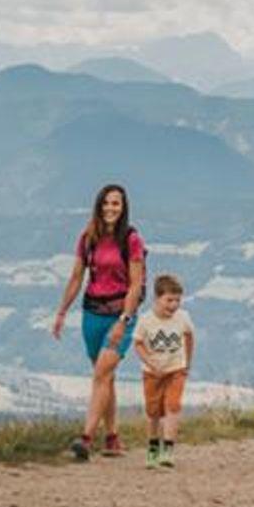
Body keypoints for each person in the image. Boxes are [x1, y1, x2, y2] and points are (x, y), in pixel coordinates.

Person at [51, 183, 146, 461]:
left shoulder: (131, 240)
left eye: (115, 203)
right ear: (98, 205)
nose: (110, 208)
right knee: (105, 377)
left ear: (123, 208)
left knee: (101, 375)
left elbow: (136, 284)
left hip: (120, 314)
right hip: (92, 313)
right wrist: (61, 312)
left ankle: (86, 438)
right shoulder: (88, 238)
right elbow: (76, 278)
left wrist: (124, 320)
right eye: (106, 203)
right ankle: (113, 438)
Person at [133, 274, 194, 469]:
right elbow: (138, 343)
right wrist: (149, 362)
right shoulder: (146, 321)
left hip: (176, 370)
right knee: (153, 412)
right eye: (169, 300)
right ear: (157, 298)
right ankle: (153, 447)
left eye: (177, 300)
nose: (174, 305)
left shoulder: (183, 317)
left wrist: (187, 361)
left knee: (173, 406)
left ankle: (168, 449)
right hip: (152, 373)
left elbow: (189, 336)